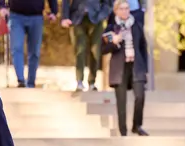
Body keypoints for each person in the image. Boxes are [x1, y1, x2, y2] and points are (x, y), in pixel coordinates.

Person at [102, 0, 148, 136]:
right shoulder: (111, 28)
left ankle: (137, 125)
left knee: (140, 96)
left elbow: (143, 46)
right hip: (119, 67)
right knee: (121, 101)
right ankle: (123, 130)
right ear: (116, 11)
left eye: (127, 8)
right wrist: (114, 43)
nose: (125, 11)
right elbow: (103, 49)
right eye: (121, 9)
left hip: (136, 66)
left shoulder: (137, 25)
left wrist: (145, 68)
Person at [0, 0, 57, 88]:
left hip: (36, 16)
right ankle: (21, 80)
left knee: (35, 52)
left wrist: (54, 11)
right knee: (16, 48)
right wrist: (2, 6)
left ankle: (31, 82)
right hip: (15, 16)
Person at [61, 0, 112, 91]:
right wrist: (65, 17)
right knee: (80, 50)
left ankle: (92, 82)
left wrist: (101, 15)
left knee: (95, 51)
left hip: (96, 19)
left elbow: (108, 3)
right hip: (77, 18)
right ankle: (79, 81)